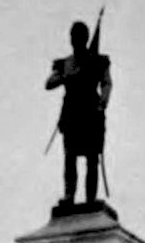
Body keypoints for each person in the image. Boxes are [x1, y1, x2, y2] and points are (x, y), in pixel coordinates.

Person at [46, 20, 112, 205]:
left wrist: (103, 101)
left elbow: (106, 82)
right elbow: (49, 83)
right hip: (72, 113)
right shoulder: (65, 63)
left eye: (80, 37)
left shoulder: (97, 61)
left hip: (91, 112)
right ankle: (69, 195)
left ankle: (90, 197)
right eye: (74, 37)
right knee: (70, 156)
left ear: (86, 38)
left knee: (92, 157)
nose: (76, 40)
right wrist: (67, 77)